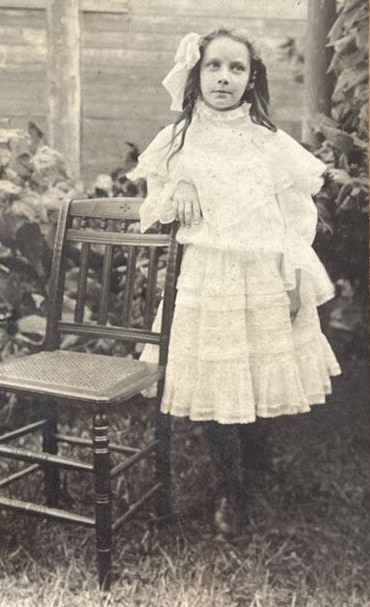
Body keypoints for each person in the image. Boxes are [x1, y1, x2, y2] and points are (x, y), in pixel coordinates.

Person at [128, 28, 341, 539]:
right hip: (208, 276)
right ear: (196, 75)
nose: (224, 77)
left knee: (260, 367)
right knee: (217, 374)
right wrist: (178, 181)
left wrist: (293, 275)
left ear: (251, 80)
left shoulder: (268, 143)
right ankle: (230, 488)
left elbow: (295, 216)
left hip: (265, 271)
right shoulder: (178, 139)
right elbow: (154, 205)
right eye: (213, 67)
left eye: (236, 68)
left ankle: (253, 466)